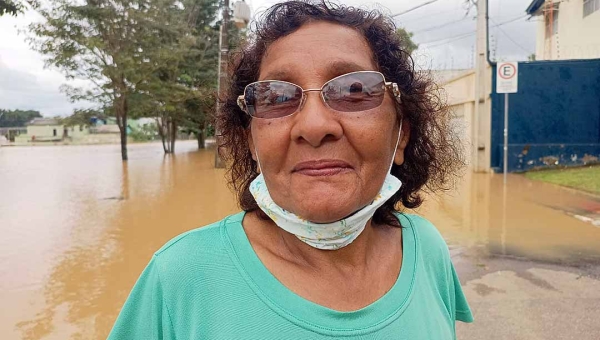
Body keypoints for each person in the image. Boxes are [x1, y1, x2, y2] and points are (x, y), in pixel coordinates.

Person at [108, 1, 472, 339]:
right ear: (250, 140)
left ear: (402, 135)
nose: (313, 126)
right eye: (276, 97)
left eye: (354, 89)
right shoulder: (179, 278)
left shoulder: (427, 248)